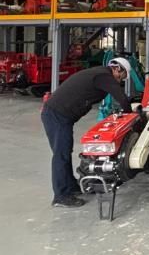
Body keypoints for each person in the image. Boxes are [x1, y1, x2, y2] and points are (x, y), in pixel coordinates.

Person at [42, 58, 132, 208]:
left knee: (65, 152)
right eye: (122, 77)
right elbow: (121, 97)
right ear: (117, 69)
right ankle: (61, 196)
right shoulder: (104, 76)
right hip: (56, 115)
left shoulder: (99, 74)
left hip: (60, 115)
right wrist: (131, 114)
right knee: (61, 154)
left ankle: (70, 187)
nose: (120, 80)